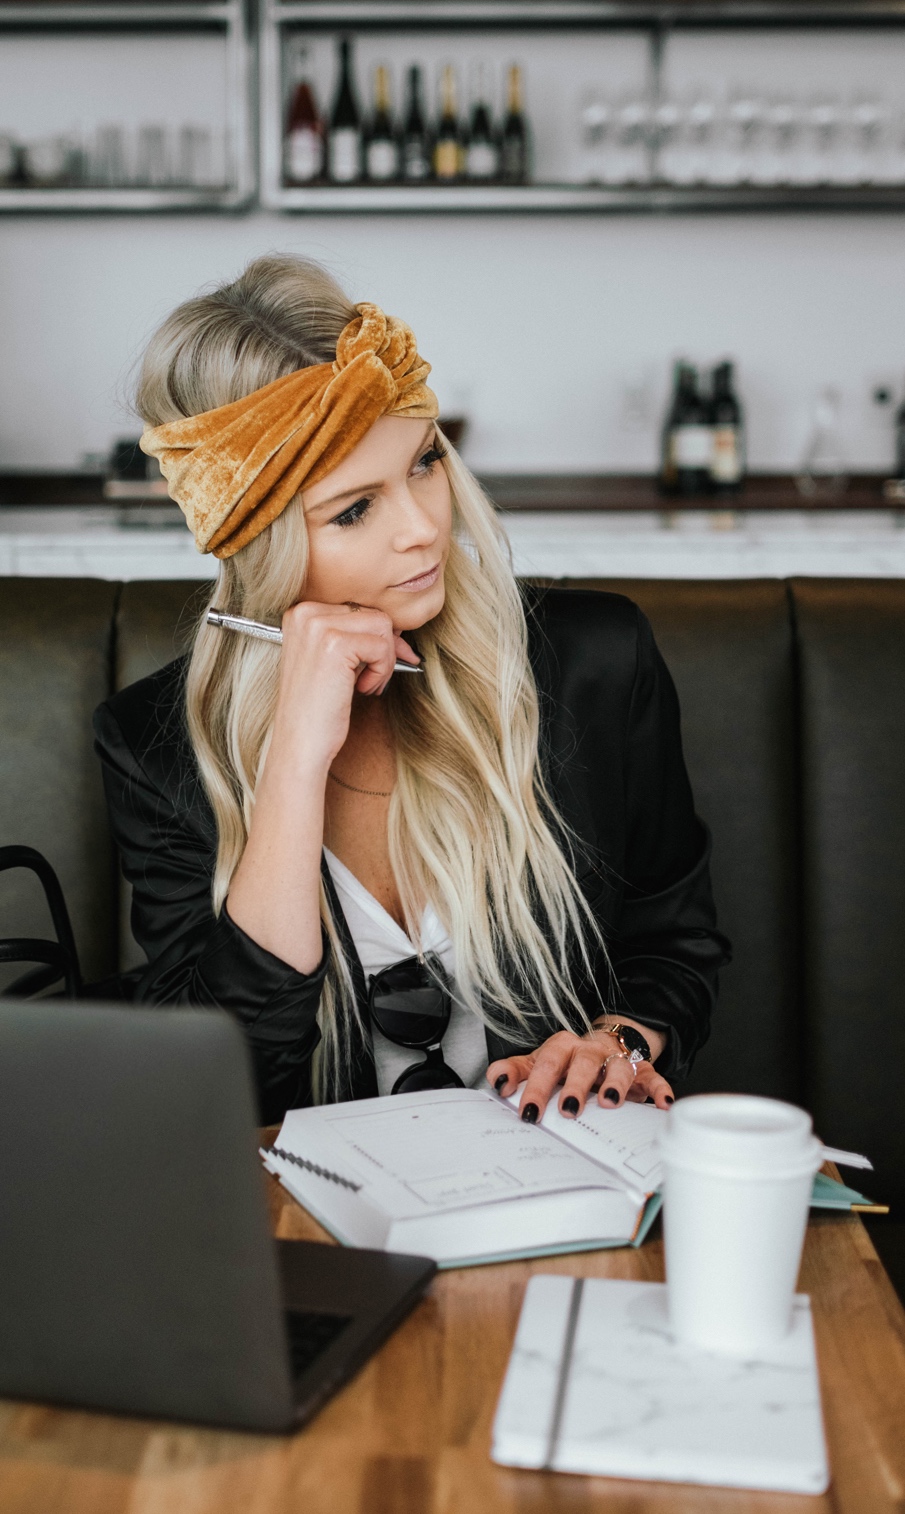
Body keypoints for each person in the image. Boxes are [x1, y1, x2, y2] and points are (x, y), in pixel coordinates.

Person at [93, 254, 730, 1127]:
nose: (423, 527)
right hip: (315, 1233)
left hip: (564, 1181)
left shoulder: (594, 660)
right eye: (354, 510)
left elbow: (675, 943)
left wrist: (616, 1042)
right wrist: (290, 769)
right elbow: (219, 1088)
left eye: (424, 462)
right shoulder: (154, 745)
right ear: (256, 541)